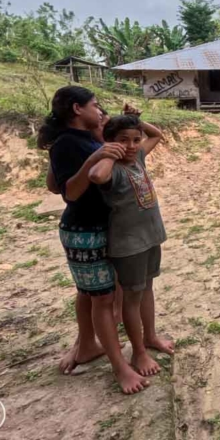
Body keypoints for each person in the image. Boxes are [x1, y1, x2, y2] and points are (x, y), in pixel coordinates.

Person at [38, 86, 149, 394]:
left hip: (100, 227)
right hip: (84, 231)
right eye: (95, 105)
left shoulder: (80, 139)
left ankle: (86, 344)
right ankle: (120, 368)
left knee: (91, 293)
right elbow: (68, 193)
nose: (100, 111)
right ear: (77, 109)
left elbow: (51, 184)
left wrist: (117, 128)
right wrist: (94, 159)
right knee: (102, 299)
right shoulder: (67, 144)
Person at [88, 114, 174, 377]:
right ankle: (138, 351)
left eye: (136, 140)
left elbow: (157, 135)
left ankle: (151, 337)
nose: (132, 145)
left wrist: (138, 120)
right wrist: (109, 153)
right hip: (129, 245)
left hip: (150, 237)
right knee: (132, 299)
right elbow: (95, 176)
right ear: (110, 142)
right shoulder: (111, 168)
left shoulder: (137, 159)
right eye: (123, 141)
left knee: (147, 290)